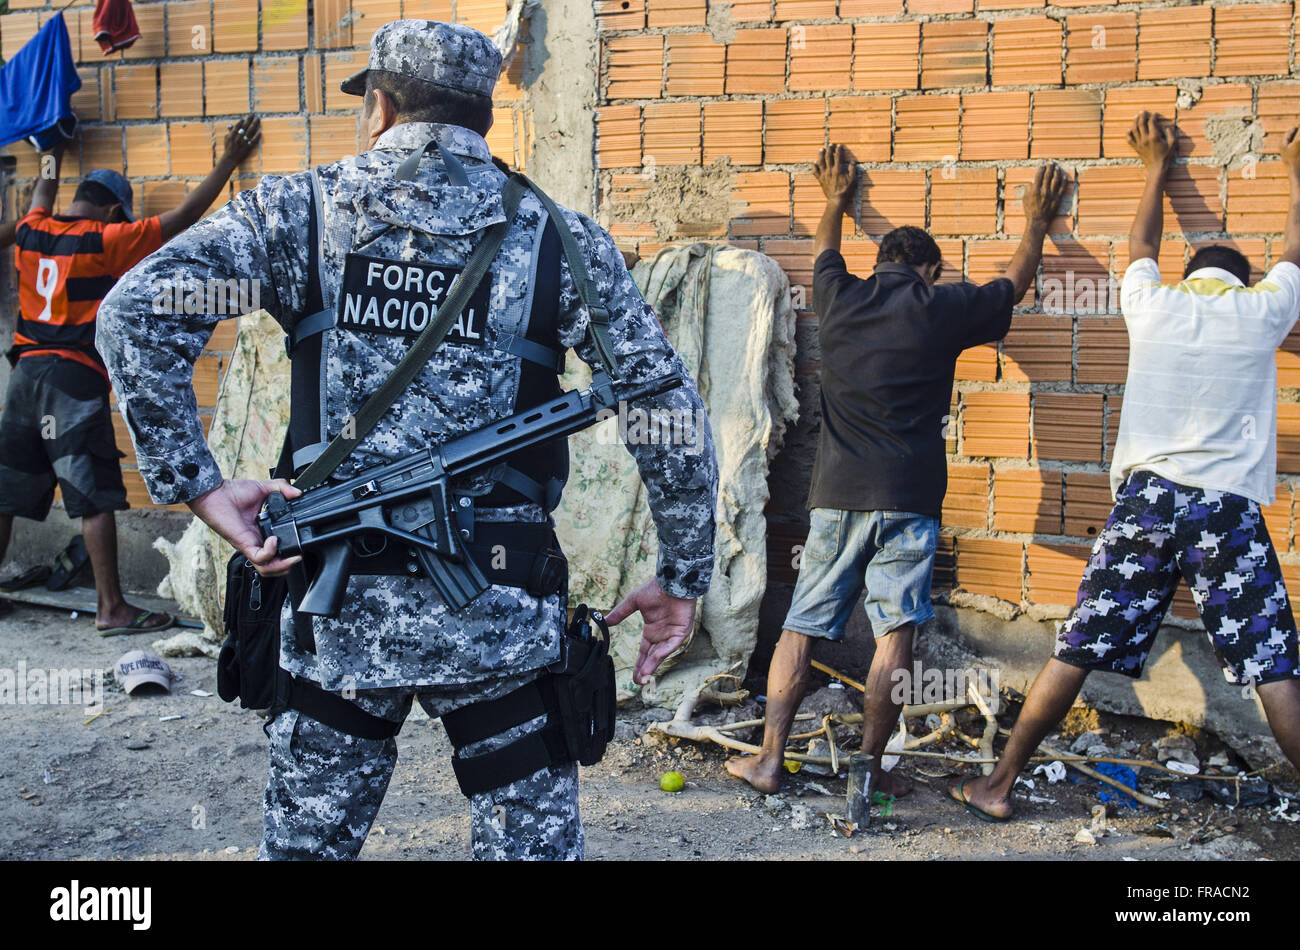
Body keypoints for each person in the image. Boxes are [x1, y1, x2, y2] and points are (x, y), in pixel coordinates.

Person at [95, 20, 717, 860]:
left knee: (309, 850)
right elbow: (666, 409)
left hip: (340, 614)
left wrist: (199, 486)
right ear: (482, 115)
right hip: (498, 613)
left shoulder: (298, 213)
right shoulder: (557, 237)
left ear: (380, 105)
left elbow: (135, 312)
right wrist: (682, 574)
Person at [950, 114, 1300, 822]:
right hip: (1225, 510)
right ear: (1243, 282)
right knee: (1273, 666)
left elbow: (1140, 244)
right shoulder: (1265, 312)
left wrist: (1154, 166)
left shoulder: (1154, 305)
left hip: (1147, 502)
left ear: (1190, 277)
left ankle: (998, 784)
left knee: (1077, 647)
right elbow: (1296, 248)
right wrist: (1297, 173)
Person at [726, 143, 1068, 808]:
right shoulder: (940, 307)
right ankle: (869, 772)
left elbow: (825, 252)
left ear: (878, 264)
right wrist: (1035, 221)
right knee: (895, 634)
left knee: (800, 627)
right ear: (930, 271)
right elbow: (1013, 286)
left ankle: (770, 761)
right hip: (909, 499)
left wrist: (835, 200)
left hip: (836, 496)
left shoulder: (839, 298)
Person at [0, 115, 261, 628]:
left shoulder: (33, 228)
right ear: (115, 207)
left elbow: (42, 187)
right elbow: (184, 216)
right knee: (92, 493)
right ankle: (111, 607)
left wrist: (51, 141)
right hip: (71, 378)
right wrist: (230, 158)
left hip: (22, 377)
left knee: (6, 489)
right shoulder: (107, 239)